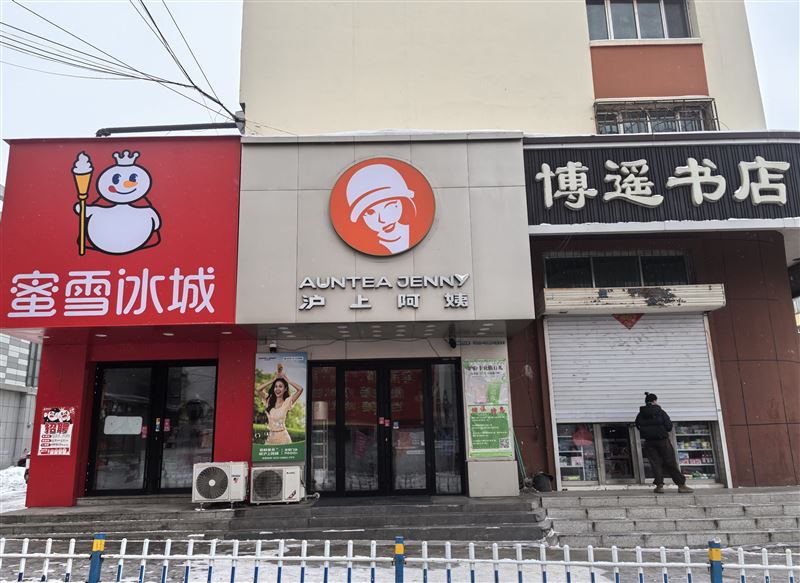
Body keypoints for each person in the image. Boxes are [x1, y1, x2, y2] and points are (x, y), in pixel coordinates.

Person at [635, 393, 693, 494]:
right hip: (663, 441)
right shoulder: (660, 412)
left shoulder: (641, 414)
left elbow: (638, 425)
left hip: (649, 442)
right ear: (654, 401)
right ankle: (681, 485)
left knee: (655, 463)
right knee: (670, 462)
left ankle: (659, 486)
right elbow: (669, 426)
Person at [257, 364, 304, 446]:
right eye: (275, 386)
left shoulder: (287, 402)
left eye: (280, 386)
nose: (277, 389)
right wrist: (273, 380)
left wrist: (287, 380)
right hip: (271, 437)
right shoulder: (269, 400)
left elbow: (300, 389)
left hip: (284, 438)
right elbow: (258, 389)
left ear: (285, 389)